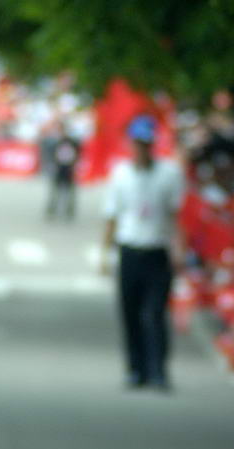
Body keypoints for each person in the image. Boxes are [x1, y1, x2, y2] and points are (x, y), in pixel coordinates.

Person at [101, 115, 186, 390]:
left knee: (156, 313)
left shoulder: (169, 174)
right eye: (138, 143)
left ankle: (158, 370)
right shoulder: (120, 174)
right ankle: (135, 369)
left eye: (146, 144)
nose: (142, 149)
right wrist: (105, 253)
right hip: (130, 249)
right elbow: (111, 216)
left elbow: (176, 216)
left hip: (157, 250)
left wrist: (179, 249)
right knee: (130, 313)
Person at [45, 125, 81, 220]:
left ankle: (69, 210)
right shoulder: (56, 143)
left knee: (69, 192)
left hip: (69, 169)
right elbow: (52, 156)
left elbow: (78, 155)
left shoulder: (73, 143)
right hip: (59, 169)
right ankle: (52, 209)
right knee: (55, 191)